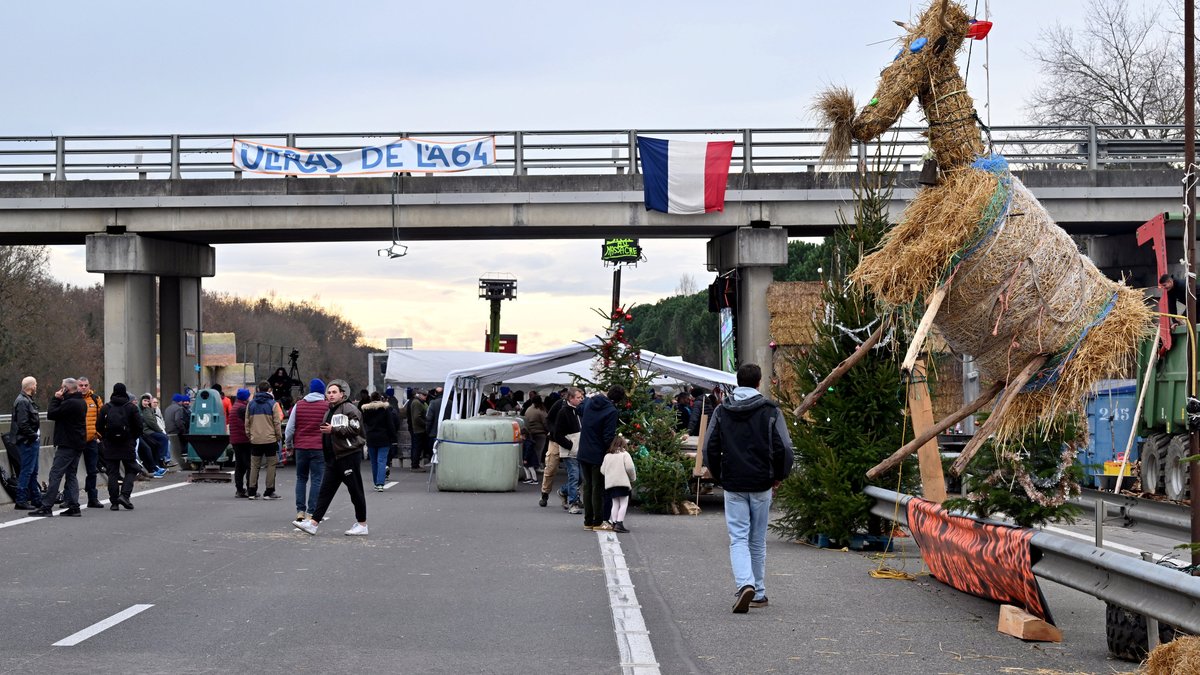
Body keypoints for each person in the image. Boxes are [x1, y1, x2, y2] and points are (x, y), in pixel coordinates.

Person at [703, 363, 794, 614]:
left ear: (737, 381)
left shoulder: (722, 411)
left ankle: (745, 583)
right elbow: (784, 447)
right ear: (758, 382)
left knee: (738, 538)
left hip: (733, 483)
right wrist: (779, 476)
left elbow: (708, 447)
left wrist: (719, 476)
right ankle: (759, 591)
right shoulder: (771, 410)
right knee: (757, 539)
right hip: (762, 482)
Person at [293, 379, 368, 536]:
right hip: (333, 458)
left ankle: (362, 524)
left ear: (342, 394)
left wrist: (334, 429)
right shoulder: (329, 410)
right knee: (325, 491)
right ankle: (313, 523)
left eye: (334, 392)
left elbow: (355, 429)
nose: (331, 395)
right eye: (329, 392)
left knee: (355, 490)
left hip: (348, 455)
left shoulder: (349, 408)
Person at [33, 378, 89, 517]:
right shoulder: (81, 401)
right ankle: (74, 506)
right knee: (71, 475)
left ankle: (46, 506)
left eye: (62, 387)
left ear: (66, 389)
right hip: (77, 443)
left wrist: (56, 398)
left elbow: (51, 413)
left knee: (55, 474)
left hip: (67, 443)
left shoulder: (70, 403)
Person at [577, 385, 624, 532]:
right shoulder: (611, 411)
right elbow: (607, 436)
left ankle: (587, 520)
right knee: (597, 487)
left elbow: (578, 409)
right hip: (597, 453)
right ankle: (598, 521)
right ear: (618, 400)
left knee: (587, 486)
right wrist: (614, 448)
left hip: (583, 450)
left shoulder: (590, 402)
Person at [96, 383, 144, 511]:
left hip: (110, 444)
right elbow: (139, 426)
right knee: (132, 469)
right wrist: (132, 438)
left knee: (112, 473)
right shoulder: (131, 408)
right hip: (127, 443)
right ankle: (124, 495)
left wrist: (105, 437)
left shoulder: (106, 407)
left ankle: (114, 503)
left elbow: (98, 426)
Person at [285, 379, 327, 522]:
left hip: (301, 447)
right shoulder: (326, 406)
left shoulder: (299, 405)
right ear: (323, 391)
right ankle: (312, 512)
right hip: (319, 448)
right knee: (316, 479)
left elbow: (290, 428)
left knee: (301, 478)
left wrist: (289, 445)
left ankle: (300, 511)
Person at [245, 381, 284, 500]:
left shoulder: (250, 405)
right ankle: (269, 491)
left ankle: (251, 491)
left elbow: (247, 423)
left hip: (255, 439)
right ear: (269, 390)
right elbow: (277, 423)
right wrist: (278, 436)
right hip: (270, 439)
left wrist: (249, 435)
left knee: (254, 465)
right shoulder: (273, 404)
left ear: (257, 390)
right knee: (271, 464)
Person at [11, 376, 43, 511]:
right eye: (35, 384)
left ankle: (36, 499)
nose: (36, 387)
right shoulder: (23, 402)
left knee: (33, 471)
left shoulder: (26, 400)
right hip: (27, 441)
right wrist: (34, 435)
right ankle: (21, 499)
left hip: (30, 441)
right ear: (30, 387)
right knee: (27, 471)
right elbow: (23, 423)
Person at [551, 387, 584, 515]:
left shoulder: (581, 411)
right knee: (574, 476)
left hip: (581, 450)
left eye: (582, 397)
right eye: (578, 398)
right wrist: (571, 446)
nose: (581, 400)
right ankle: (573, 503)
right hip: (570, 451)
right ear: (570, 398)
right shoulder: (563, 412)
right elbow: (557, 434)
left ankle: (564, 491)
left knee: (580, 477)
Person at [77, 376, 106, 508]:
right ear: (77, 386)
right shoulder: (73, 399)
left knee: (92, 470)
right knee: (71, 471)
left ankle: (92, 498)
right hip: (76, 441)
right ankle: (69, 498)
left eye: (85, 385)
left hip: (91, 440)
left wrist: (97, 434)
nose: (83, 387)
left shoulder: (95, 399)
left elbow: (103, 417)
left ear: (89, 386)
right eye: (81, 385)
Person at [361, 391, 397, 491]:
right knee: (382, 461)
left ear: (371, 399)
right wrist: (393, 438)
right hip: (384, 438)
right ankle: (380, 483)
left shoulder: (366, 411)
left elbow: (364, 424)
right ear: (380, 399)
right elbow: (390, 425)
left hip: (371, 438)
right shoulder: (385, 409)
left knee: (374, 462)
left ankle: (376, 483)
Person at [601, 434, 637, 534]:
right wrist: (632, 478)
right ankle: (619, 523)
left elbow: (602, 470)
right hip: (622, 483)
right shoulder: (625, 454)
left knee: (615, 503)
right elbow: (630, 468)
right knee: (624, 503)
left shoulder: (607, 456)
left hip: (611, 484)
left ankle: (613, 522)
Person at [538, 392, 566, 507]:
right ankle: (545, 493)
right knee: (551, 467)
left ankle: (570, 495)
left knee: (574, 471)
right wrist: (554, 431)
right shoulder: (559, 404)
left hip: (571, 441)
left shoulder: (579, 407)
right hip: (555, 440)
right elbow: (548, 419)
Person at [137, 394, 168, 479]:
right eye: (145, 401)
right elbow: (151, 422)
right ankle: (154, 467)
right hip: (142, 433)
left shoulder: (148, 409)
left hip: (142, 433)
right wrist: (160, 431)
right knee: (149, 448)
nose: (146, 402)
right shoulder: (142, 410)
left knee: (153, 446)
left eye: (147, 401)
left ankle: (156, 466)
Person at [228, 388, 252, 498]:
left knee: (239, 465)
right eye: (248, 396)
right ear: (245, 397)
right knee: (249, 465)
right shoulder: (243, 408)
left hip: (235, 440)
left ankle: (239, 489)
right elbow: (249, 422)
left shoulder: (235, 406)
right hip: (244, 440)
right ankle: (249, 488)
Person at [522, 397, 548, 485]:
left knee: (531, 451)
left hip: (530, 433)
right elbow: (545, 422)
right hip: (540, 433)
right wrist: (548, 431)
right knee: (538, 451)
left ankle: (530, 470)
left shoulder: (528, 410)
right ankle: (535, 467)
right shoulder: (540, 410)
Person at [407, 389, 429, 472]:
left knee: (417, 447)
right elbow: (416, 417)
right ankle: (415, 465)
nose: (425, 396)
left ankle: (415, 464)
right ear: (418, 394)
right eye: (424, 394)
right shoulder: (417, 403)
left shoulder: (420, 402)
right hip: (418, 429)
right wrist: (425, 424)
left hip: (418, 428)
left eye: (426, 394)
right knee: (417, 447)